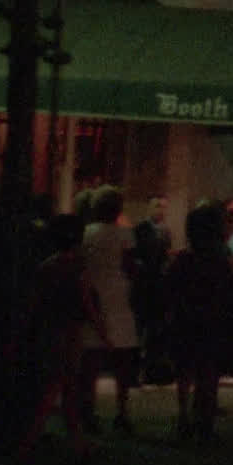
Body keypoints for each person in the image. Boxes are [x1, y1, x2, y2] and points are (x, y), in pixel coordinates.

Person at [15, 213, 107, 460]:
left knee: (63, 386)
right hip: (70, 331)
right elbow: (87, 302)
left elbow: (34, 303)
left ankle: (73, 440)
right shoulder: (77, 266)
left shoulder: (46, 266)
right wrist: (102, 332)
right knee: (60, 385)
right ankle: (30, 441)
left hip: (49, 329)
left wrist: (26, 330)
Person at [163, 202, 233, 442]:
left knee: (185, 370)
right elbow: (232, 292)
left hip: (185, 318)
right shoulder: (222, 261)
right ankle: (205, 421)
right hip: (213, 320)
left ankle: (183, 417)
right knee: (208, 372)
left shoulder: (183, 259)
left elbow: (169, 288)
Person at [78, 185, 139, 435]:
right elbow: (130, 266)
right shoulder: (125, 235)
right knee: (122, 358)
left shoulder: (86, 233)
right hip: (118, 296)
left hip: (93, 293)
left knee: (91, 358)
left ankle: (88, 411)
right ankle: (122, 411)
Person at [132, 195, 173, 384]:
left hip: (158, 283)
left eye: (164, 207)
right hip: (145, 283)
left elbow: (166, 254)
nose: (161, 211)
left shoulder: (165, 231)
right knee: (140, 327)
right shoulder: (142, 228)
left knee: (154, 328)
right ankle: (136, 370)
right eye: (158, 206)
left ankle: (151, 369)